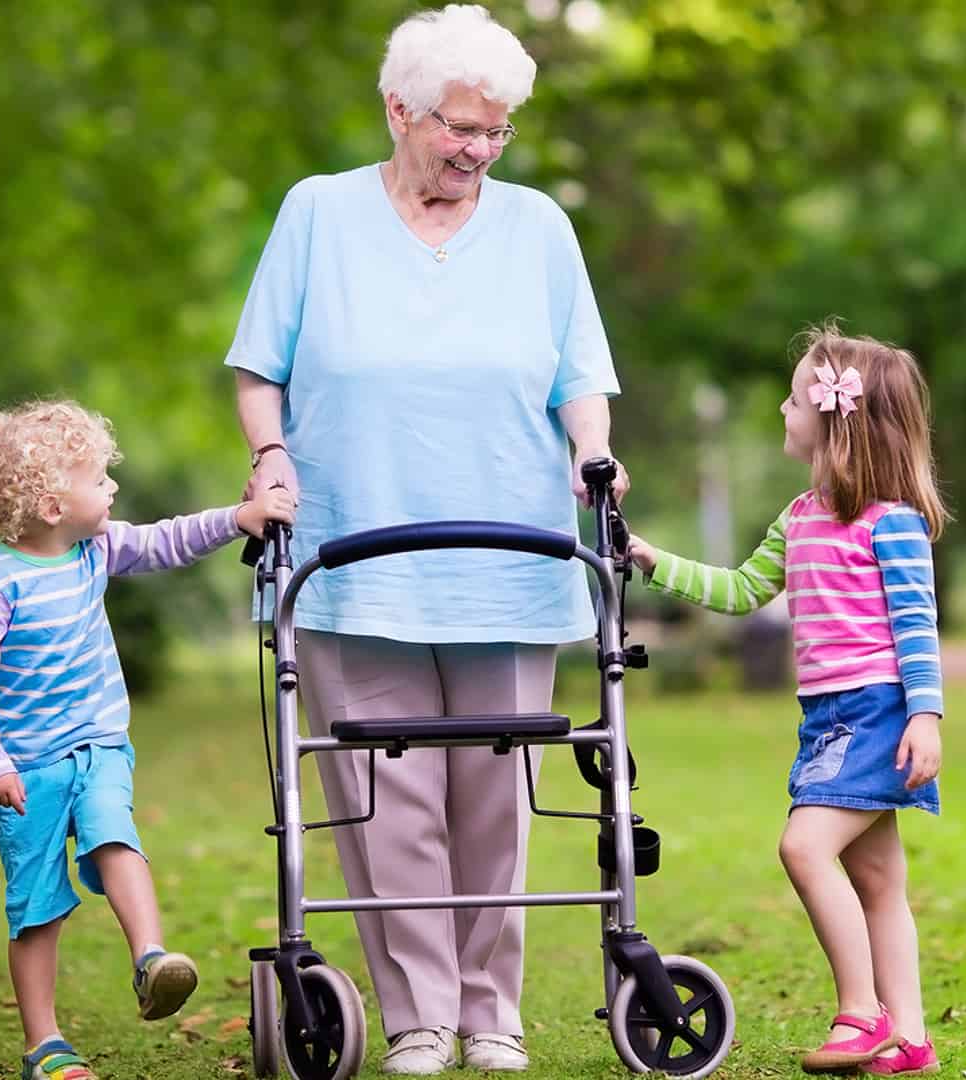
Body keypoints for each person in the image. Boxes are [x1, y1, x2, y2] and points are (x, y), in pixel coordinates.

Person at [223, 5, 627, 1074]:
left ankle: (493, 1014)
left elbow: (580, 376)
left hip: (509, 552)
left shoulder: (540, 226)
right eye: (459, 127)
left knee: (494, 799)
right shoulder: (317, 214)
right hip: (355, 554)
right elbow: (260, 368)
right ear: (397, 109)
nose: (477, 151)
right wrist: (271, 461)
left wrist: (595, 458)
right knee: (381, 802)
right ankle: (418, 1019)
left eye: (496, 133)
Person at [627, 325, 949, 1076]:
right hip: (826, 717)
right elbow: (742, 591)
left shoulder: (890, 521)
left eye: (794, 395)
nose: (780, 406)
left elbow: (916, 626)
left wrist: (926, 717)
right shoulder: (800, 516)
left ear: (834, 417)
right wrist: (654, 560)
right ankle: (910, 1038)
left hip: (875, 712)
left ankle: (860, 1014)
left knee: (803, 848)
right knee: (876, 880)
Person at [0, 399, 296, 1080]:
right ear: (52, 505)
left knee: (115, 835)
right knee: (36, 909)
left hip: (98, 744)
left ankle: (151, 959)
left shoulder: (94, 550)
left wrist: (237, 520)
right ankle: (44, 1045)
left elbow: (166, 541)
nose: (111, 488)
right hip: (25, 772)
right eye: (97, 478)